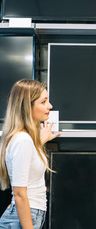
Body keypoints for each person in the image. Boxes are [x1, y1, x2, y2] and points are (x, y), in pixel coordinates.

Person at [0, 79, 60, 229]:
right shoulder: (23, 140)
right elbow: (19, 194)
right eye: (43, 101)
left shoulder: (26, 140)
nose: (50, 106)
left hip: (29, 215)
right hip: (23, 217)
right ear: (27, 106)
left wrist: (40, 141)